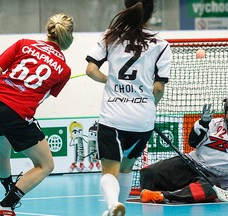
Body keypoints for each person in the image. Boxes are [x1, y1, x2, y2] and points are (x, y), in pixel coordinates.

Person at [0, 13, 74, 216]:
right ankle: (5, 205)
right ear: (69, 36)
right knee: (46, 164)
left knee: (2, 149)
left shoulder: (24, 43)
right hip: (14, 112)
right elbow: (40, 95)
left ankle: (8, 192)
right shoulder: (64, 70)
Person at [85, 0, 172, 215]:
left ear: (126, 8)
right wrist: (148, 108)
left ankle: (114, 205)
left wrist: (109, 80)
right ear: (151, 14)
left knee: (109, 170)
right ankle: (115, 208)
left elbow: (90, 70)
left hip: (113, 117)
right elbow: (158, 88)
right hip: (142, 120)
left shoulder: (111, 36)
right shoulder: (161, 44)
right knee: (126, 168)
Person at [140, 92, 228, 203]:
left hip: (213, 180)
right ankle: (151, 194)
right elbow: (193, 142)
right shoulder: (213, 124)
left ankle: (164, 196)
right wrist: (203, 123)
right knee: (149, 173)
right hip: (190, 164)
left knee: (211, 186)